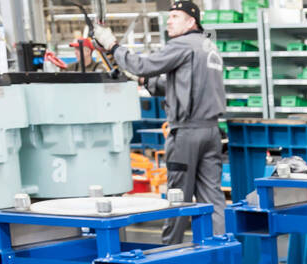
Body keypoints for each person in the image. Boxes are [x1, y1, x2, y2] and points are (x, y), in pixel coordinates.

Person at [95, 1, 226, 243]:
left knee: (178, 197)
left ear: (191, 21)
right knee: (213, 198)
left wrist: (112, 45)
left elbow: (141, 64)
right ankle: (220, 252)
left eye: (175, 16)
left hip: (186, 133)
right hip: (211, 132)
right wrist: (147, 81)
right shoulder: (209, 47)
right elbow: (181, 83)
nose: (169, 20)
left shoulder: (182, 44)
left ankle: (168, 256)